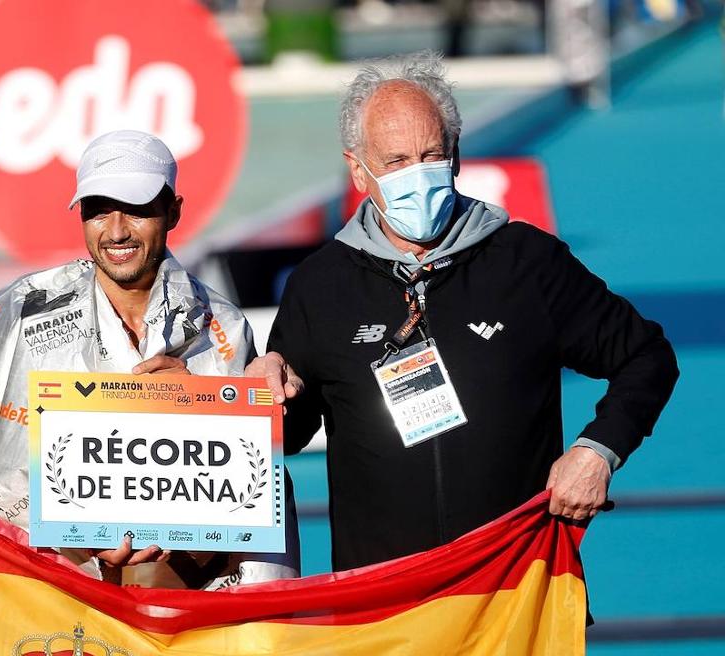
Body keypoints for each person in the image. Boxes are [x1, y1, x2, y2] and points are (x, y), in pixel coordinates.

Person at [247, 52, 678, 572]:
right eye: (396, 161)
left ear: (455, 155)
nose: (418, 174)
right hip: (382, 605)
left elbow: (646, 356)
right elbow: (288, 435)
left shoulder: (526, 261)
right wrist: (259, 397)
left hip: (517, 585)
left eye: (431, 154)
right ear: (358, 171)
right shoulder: (319, 286)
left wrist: (597, 452)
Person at [0, 130, 298, 589]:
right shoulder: (21, 311)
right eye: (98, 210)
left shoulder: (223, 325)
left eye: (136, 208)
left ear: (173, 212)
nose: (116, 230)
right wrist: (82, 536)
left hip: (187, 611)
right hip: (51, 600)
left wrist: (200, 401)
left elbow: (253, 490)